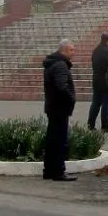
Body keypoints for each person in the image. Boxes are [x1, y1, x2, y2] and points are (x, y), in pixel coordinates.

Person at [42, 39, 77, 182]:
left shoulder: (52, 63)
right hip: (59, 108)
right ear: (63, 50)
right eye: (71, 50)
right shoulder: (61, 65)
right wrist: (71, 99)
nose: (73, 53)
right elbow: (62, 87)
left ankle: (49, 170)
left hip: (53, 107)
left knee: (52, 140)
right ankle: (58, 171)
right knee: (59, 141)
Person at [88, 33, 108, 132]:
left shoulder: (95, 51)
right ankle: (105, 125)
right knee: (106, 103)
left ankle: (90, 125)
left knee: (95, 102)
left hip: (96, 79)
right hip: (107, 80)